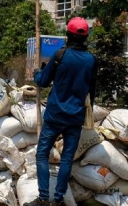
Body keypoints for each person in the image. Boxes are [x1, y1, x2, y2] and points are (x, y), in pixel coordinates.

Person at [25, 17, 96, 206]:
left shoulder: (60, 55)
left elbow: (43, 82)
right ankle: (58, 200)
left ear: (68, 36)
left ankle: (42, 198)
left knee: (42, 154)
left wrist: (36, 73)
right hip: (76, 117)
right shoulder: (91, 60)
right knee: (66, 158)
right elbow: (92, 91)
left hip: (55, 115)